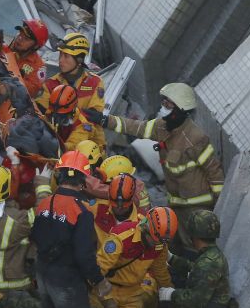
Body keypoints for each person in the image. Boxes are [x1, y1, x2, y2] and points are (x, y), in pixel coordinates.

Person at [84, 83, 224, 251]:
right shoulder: (162, 126)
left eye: (168, 104)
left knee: (195, 244)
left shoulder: (196, 139)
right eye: (163, 102)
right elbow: (137, 127)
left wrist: (220, 205)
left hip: (196, 206)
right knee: (177, 240)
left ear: (181, 109)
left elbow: (214, 173)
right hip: (176, 201)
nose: (163, 107)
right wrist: (105, 120)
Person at [31, 150, 117, 308]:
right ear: (83, 180)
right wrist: (100, 282)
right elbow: (84, 257)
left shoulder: (46, 203)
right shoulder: (82, 212)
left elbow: (36, 236)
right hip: (66, 280)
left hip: (44, 274)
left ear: (59, 175)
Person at [87, 177, 176, 308]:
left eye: (162, 242)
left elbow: (161, 272)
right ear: (147, 229)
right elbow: (98, 271)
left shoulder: (158, 245)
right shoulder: (121, 236)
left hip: (131, 295)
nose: (156, 245)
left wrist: (169, 294)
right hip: (105, 290)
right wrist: (108, 303)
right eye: (155, 240)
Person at [39, 33, 106, 150]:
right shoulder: (50, 84)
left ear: (79, 59)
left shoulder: (95, 83)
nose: (61, 60)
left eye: (66, 56)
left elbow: (89, 123)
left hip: (88, 149)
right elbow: (43, 118)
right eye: (60, 55)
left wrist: (66, 148)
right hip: (55, 146)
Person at [48, 84, 105, 155]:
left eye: (61, 116)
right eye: (55, 114)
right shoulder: (57, 111)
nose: (57, 118)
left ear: (73, 109)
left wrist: (52, 145)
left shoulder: (84, 125)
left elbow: (73, 146)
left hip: (94, 158)